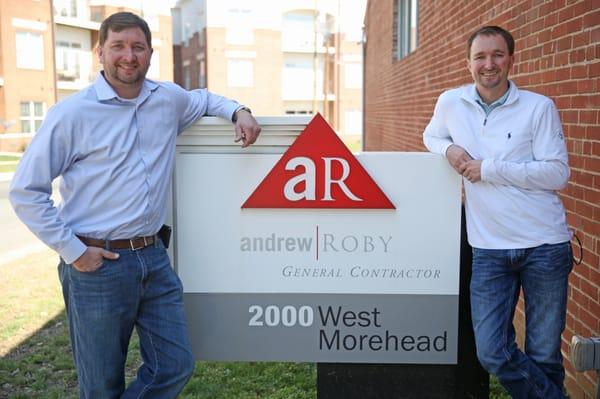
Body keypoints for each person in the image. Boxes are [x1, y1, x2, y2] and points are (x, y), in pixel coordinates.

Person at [9, 11, 261, 399]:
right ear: (100, 53)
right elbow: (26, 191)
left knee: (175, 365)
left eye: (138, 47)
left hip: (154, 257)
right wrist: (75, 252)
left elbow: (205, 98)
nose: (129, 56)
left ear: (149, 53)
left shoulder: (167, 100)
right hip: (97, 265)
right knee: (101, 386)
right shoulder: (72, 114)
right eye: (119, 46)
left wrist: (238, 111)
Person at [423, 26, 573, 398]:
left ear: (510, 59)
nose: (489, 64)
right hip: (488, 248)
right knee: (491, 351)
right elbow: (432, 135)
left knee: (544, 353)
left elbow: (558, 173)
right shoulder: (451, 102)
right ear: (468, 62)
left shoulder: (538, 107)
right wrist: (449, 151)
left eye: (497, 55)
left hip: (545, 246)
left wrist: (488, 168)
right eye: (480, 56)